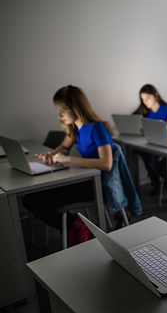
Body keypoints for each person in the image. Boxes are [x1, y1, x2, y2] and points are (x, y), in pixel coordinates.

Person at [22, 85, 142, 245]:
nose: (59, 115)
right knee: (30, 199)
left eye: (62, 110)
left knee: (38, 202)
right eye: (57, 111)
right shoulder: (76, 128)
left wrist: (68, 160)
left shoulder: (97, 128)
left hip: (100, 186)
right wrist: (51, 155)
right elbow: (63, 147)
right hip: (85, 180)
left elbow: (106, 164)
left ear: (76, 108)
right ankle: (78, 226)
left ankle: (79, 227)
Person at [134, 84, 167, 195]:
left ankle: (159, 180)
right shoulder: (143, 110)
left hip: (165, 141)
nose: (145, 102)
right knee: (142, 152)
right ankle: (156, 180)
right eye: (143, 99)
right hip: (150, 142)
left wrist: (156, 127)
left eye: (148, 98)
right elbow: (133, 121)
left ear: (155, 95)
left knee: (149, 155)